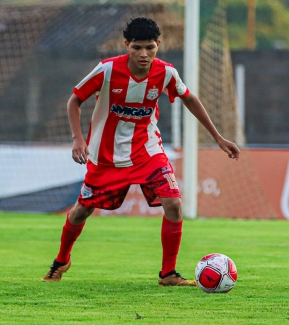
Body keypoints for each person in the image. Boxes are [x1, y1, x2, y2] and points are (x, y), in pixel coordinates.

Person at [44, 17, 240, 286]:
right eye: (137, 47)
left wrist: (218, 137)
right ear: (127, 45)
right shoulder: (107, 70)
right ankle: (61, 260)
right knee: (81, 211)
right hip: (106, 156)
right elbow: (74, 100)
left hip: (147, 152)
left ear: (158, 44)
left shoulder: (166, 73)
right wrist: (78, 139)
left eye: (150, 47)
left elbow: (189, 98)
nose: (144, 54)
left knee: (174, 204)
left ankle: (168, 274)